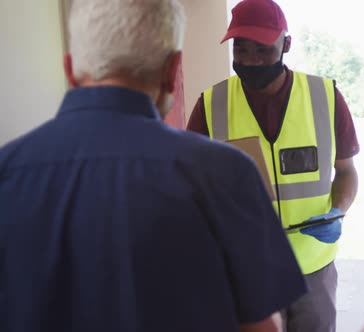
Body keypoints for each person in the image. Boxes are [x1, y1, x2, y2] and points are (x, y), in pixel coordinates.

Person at [0, 1, 306, 331]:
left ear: (70, 68)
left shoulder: (7, 172)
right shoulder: (226, 173)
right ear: (173, 70)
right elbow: (263, 328)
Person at [186, 0, 359, 331]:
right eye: (242, 49)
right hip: (247, 267)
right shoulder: (211, 106)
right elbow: (193, 185)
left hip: (313, 266)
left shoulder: (325, 97)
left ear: (286, 45)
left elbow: (347, 171)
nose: (251, 60)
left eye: (263, 50)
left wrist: (338, 210)